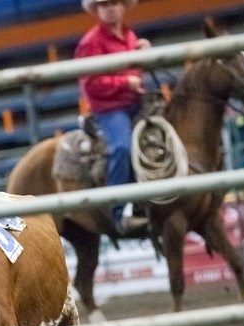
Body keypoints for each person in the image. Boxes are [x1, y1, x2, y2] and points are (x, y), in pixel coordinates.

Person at [75, 0, 152, 236]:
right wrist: (125, 82)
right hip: (109, 109)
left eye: (114, 2)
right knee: (122, 148)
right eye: (103, 4)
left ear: (122, 6)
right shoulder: (91, 42)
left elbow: (136, 70)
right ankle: (120, 212)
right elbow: (91, 84)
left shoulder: (130, 36)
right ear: (97, 9)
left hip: (135, 103)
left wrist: (147, 55)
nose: (109, 8)